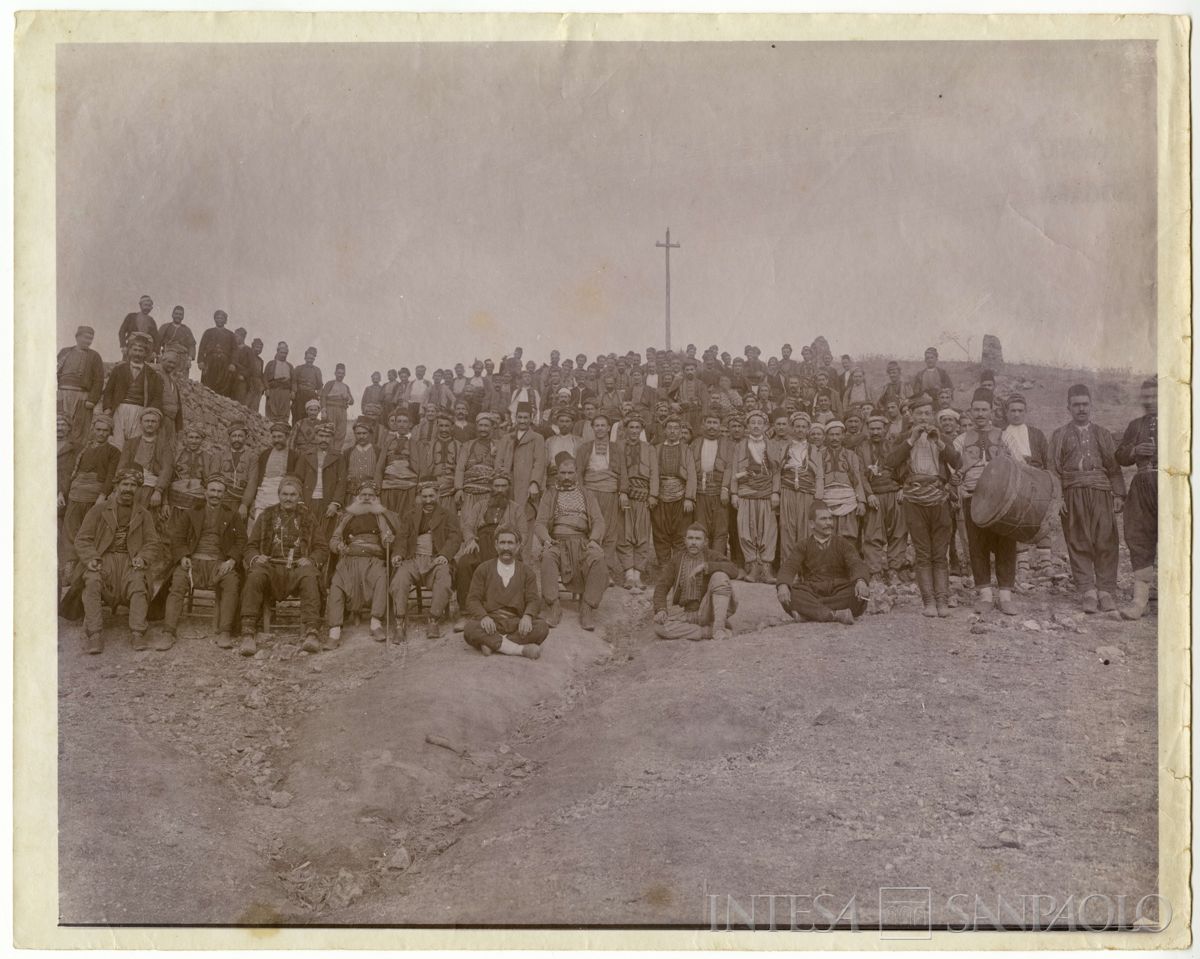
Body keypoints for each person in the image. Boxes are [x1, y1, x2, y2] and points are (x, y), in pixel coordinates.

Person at [62, 466, 165, 654]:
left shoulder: (144, 514)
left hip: (130, 560)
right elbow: (83, 539)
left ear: (138, 489)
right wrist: (91, 558)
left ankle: (138, 632)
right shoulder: (98, 510)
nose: (128, 489)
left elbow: (152, 542)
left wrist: (143, 558)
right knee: (92, 581)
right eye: (124, 484)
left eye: (133, 485)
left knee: (138, 582)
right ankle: (94, 633)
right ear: (116, 486)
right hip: (103, 559)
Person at [1048, 384, 1126, 614]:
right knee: (1078, 540)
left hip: (1101, 492)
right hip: (1072, 493)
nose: (1081, 409)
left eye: (1085, 404)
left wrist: (1119, 494)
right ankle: (1087, 592)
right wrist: (1057, 497)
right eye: (1076, 405)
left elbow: (1113, 467)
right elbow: (1052, 469)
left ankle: (1105, 591)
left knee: (1106, 540)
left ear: (1091, 406)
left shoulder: (1102, 434)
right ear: (1068, 408)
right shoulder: (1059, 435)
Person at [884, 393, 962, 618]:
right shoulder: (904, 437)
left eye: (928, 414)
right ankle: (928, 601)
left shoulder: (941, 438)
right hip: (914, 501)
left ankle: (942, 601)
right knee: (922, 552)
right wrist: (910, 441)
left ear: (934, 416)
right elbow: (890, 463)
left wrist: (938, 441)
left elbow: (957, 462)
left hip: (939, 499)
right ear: (912, 416)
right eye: (919, 414)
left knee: (940, 552)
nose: (924, 418)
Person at [239, 474, 328, 656]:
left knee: (310, 575)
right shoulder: (266, 515)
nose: (288, 498)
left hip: (297, 567)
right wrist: (257, 557)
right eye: (285, 494)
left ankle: (312, 632)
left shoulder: (308, 517)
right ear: (279, 495)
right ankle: (248, 632)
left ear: (299, 497)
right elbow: (250, 547)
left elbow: (321, 548)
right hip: (271, 566)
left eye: (293, 495)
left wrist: (310, 559)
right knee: (255, 574)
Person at [953, 388, 1020, 615]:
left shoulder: (1006, 436)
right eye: (976, 410)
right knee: (977, 545)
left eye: (984, 409)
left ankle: (1005, 595)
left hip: (1001, 501)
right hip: (972, 497)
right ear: (970, 412)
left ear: (992, 411)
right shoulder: (960, 440)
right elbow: (952, 471)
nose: (980, 414)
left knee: (1006, 544)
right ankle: (984, 594)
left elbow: (1020, 464)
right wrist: (960, 473)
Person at [161, 475, 245, 651]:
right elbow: (178, 538)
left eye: (220, 491)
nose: (216, 494)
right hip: (193, 563)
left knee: (232, 583)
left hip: (220, 563)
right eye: (212, 490)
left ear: (225, 494)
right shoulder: (192, 512)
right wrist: (183, 556)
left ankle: (225, 631)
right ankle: (168, 632)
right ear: (205, 492)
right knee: (177, 583)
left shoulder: (233, 515)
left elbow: (241, 541)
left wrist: (232, 560)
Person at [534, 454, 608, 631]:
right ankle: (553, 606)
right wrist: (546, 540)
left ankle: (587, 607)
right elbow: (540, 523)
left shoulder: (587, 494)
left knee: (598, 558)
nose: (566, 477)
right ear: (557, 473)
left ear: (576, 473)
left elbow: (598, 520)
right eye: (562, 473)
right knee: (547, 556)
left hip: (582, 542)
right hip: (557, 542)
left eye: (570, 473)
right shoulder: (550, 494)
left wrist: (594, 540)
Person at [327, 479, 400, 646]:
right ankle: (334, 632)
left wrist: (388, 540)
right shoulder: (346, 517)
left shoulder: (383, 516)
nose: (367, 498)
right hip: (349, 558)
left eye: (371, 495)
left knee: (382, 577)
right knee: (337, 583)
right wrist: (338, 546)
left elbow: (391, 540)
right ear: (357, 497)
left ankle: (376, 623)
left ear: (376, 497)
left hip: (373, 558)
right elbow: (334, 540)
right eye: (363, 495)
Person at [776, 500, 871, 624]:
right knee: (790, 595)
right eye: (823, 519)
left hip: (839, 590)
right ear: (812, 524)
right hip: (813, 590)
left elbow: (855, 563)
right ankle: (833, 615)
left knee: (858, 595)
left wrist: (861, 581)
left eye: (830, 519)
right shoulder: (802, 546)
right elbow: (789, 566)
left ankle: (810, 613)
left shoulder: (842, 543)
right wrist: (783, 585)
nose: (829, 523)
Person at [462, 525, 549, 659]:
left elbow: (533, 600)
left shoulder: (527, 572)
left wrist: (528, 617)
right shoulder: (483, 569)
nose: (506, 548)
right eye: (502, 543)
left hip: (516, 623)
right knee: (470, 628)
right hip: (491, 623)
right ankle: (519, 650)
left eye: (510, 543)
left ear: (518, 546)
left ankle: (491, 643)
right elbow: (473, 599)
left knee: (542, 627)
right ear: (496, 545)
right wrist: (484, 617)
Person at [389, 482, 462, 640]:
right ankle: (400, 621)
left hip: (436, 559)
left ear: (438, 496)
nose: (428, 500)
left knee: (444, 579)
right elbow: (402, 538)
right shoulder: (410, 516)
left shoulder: (448, 515)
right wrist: (398, 555)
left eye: (431, 496)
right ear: (419, 497)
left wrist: (444, 555)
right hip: (413, 559)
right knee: (399, 579)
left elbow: (455, 537)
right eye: (424, 496)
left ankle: (433, 619)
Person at [454, 473, 521, 630]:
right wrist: (470, 540)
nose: (499, 490)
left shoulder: (516, 508)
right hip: (480, 544)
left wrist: (510, 547)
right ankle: (466, 613)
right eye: (496, 486)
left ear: (508, 488)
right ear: (491, 487)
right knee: (464, 563)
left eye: (503, 486)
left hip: (505, 545)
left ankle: (502, 611)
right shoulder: (480, 505)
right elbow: (468, 526)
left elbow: (522, 533)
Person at [1115, 377, 1158, 620]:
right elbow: (1120, 455)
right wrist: (1134, 450)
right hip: (1142, 484)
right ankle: (1139, 601)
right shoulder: (1135, 425)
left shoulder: (1185, 417)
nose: (1150, 401)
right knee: (1139, 536)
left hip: (1174, 484)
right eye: (1146, 397)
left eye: (1155, 396)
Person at [60, 415, 120, 582]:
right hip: (75, 494)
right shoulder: (82, 450)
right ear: (93, 429)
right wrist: (62, 493)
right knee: (70, 531)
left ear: (110, 432)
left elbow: (110, 476)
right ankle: (69, 569)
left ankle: (85, 570)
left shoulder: (114, 452)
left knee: (90, 532)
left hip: (94, 497)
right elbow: (70, 473)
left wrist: (102, 496)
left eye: (105, 430)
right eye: (98, 429)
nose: (101, 433)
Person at [651, 524, 737, 641]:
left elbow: (733, 569)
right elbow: (662, 586)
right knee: (659, 627)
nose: (693, 542)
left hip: (708, 609)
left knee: (720, 576)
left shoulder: (712, 555)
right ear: (685, 540)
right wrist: (661, 609)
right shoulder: (676, 560)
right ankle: (708, 632)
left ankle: (719, 627)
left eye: (698, 539)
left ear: (705, 542)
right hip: (687, 613)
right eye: (690, 538)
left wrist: (706, 566)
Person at [730, 409, 782, 582]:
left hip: (767, 493)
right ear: (748, 426)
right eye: (753, 423)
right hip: (745, 493)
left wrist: (775, 492)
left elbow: (776, 472)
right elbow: (734, 471)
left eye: (760, 423)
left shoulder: (772, 445)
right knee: (745, 530)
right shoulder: (740, 446)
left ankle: (766, 570)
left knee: (768, 531)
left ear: (766, 426)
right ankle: (752, 568)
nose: (756, 426)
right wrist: (734, 493)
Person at [858, 414, 906, 585]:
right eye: (872, 429)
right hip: (875, 495)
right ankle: (875, 571)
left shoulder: (894, 446)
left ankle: (894, 570)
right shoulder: (862, 448)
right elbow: (860, 475)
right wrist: (868, 494)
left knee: (898, 533)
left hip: (894, 493)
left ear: (885, 429)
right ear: (868, 430)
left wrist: (903, 488)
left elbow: (905, 468)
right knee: (872, 534)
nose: (876, 432)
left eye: (879, 429)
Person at [455, 412, 513, 541]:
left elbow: (503, 468)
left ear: (493, 427)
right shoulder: (467, 445)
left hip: (489, 493)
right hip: (469, 493)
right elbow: (460, 468)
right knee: (467, 524)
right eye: (480, 425)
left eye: (486, 426)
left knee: (487, 524)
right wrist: (459, 489)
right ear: (476, 426)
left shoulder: (500, 445)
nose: (483, 429)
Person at [649, 414, 697, 568]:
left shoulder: (686, 450)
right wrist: (653, 495)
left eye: (676, 428)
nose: (673, 431)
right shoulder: (656, 449)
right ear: (664, 430)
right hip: (660, 496)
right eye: (669, 428)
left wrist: (689, 498)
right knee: (660, 533)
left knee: (680, 533)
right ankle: (664, 566)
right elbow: (653, 473)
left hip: (681, 496)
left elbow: (692, 474)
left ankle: (678, 567)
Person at [101, 331, 162, 450]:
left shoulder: (152, 374)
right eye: (135, 350)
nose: (137, 354)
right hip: (119, 408)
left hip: (141, 410)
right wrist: (107, 408)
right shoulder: (118, 370)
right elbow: (108, 391)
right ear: (129, 351)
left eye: (141, 351)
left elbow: (156, 396)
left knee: (135, 444)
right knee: (117, 443)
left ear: (146, 353)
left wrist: (150, 412)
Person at [616, 410, 655, 591]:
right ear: (625, 429)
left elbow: (655, 473)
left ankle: (638, 574)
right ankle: (628, 574)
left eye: (637, 427)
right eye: (631, 427)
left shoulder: (649, 448)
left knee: (642, 536)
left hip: (643, 497)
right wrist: (620, 492)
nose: (634, 430)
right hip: (623, 496)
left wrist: (653, 495)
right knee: (625, 535)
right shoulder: (617, 447)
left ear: (641, 430)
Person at [777, 410, 823, 563]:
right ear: (792, 428)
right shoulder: (785, 448)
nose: (800, 430)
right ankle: (788, 567)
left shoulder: (813, 449)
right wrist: (776, 492)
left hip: (807, 491)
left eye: (803, 427)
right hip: (787, 489)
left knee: (805, 528)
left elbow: (819, 474)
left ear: (808, 429)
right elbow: (777, 471)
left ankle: (804, 566)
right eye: (797, 426)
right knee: (787, 527)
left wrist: (819, 495)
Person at [689, 412, 734, 558]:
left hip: (719, 492)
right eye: (709, 422)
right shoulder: (696, 443)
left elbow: (730, 467)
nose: (712, 426)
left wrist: (725, 489)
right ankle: (701, 562)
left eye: (715, 423)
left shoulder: (728, 444)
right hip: (700, 493)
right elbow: (690, 468)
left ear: (720, 425)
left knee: (720, 530)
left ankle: (717, 563)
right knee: (701, 528)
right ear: (703, 424)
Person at [117, 407, 173, 515]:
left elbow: (167, 470)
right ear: (141, 423)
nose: (150, 424)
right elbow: (122, 465)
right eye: (147, 421)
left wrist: (158, 491)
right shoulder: (131, 443)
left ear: (158, 424)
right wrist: (117, 487)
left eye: (153, 421)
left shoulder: (165, 446)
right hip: (130, 484)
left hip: (151, 488)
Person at [510, 403, 548, 561]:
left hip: (526, 486)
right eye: (520, 417)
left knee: (526, 522)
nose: (523, 420)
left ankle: (524, 561)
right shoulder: (509, 437)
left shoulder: (537, 438)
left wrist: (534, 483)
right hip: (510, 485)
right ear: (515, 418)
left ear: (531, 419)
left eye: (526, 417)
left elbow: (540, 462)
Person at [819, 421, 867, 542]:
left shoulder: (851, 455)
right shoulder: (820, 454)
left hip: (848, 501)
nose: (835, 438)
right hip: (827, 500)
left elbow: (857, 479)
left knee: (848, 536)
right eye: (831, 434)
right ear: (826, 436)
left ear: (843, 435)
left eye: (838, 434)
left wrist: (861, 501)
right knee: (826, 535)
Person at [57, 325, 105, 446]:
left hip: (82, 397)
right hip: (62, 394)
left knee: (79, 428)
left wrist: (92, 400)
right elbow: (55, 371)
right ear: (77, 337)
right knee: (60, 424)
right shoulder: (65, 352)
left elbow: (99, 380)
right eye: (85, 337)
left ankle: (76, 456)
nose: (88, 341)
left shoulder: (94, 356)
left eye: (91, 339)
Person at [242, 422, 298, 524]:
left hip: (282, 494)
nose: (277, 440)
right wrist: (254, 499)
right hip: (263, 494)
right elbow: (258, 478)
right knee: (260, 524)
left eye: (280, 437)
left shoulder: (294, 456)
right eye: (274, 437)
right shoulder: (265, 454)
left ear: (287, 437)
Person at [296, 421, 345, 529]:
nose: (324, 439)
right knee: (306, 533)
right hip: (308, 501)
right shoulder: (306, 455)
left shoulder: (338, 457)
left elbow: (341, 483)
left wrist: (335, 503)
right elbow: (297, 480)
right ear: (316, 436)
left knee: (325, 535)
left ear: (332, 438)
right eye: (321, 435)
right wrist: (300, 502)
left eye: (327, 436)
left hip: (328, 502)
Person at [413, 411, 459, 510]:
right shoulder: (428, 446)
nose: (443, 429)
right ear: (436, 427)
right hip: (432, 488)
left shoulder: (459, 446)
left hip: (451, 488)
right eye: (441, 426)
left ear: (452, 427)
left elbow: (461, 469)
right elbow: (423, 470)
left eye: (447, 426)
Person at [167, 425, 217, 516]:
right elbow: (167, 478)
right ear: (185, 438)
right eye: (191, 437)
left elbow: (210, 481)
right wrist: (165, 503)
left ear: (202, 440)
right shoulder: (176, 455)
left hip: (197, 500)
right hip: (175, 498)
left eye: (197, 438)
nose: (194, 441)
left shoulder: (209, 458)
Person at [376, 411, 419, 517]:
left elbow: (422, 468)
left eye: (405, 421)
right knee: (388, 519)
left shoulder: (417, 444)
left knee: (407, 518)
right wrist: (377, 488)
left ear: (410, 424)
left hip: (409, 488)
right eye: (398, 421)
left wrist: (420, 490)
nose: (401, 424)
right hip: (388, 488)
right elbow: (380, 467)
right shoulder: (388, 442)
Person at [216, 421, 256, 514]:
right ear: (229, 438)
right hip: (221, 499)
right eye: (234, 436)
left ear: (246, 437)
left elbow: (252, 482)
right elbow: (214, 477)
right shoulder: (220, 455)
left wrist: (245, 504)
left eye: (240, 436)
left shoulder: (252, 457)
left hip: (240, 501)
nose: (236, 439)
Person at [197, 310, 238, 397]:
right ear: (214, 319)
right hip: (210, 361)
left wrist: (233, 364)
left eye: (222, 318)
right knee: (207, 385)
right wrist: (200, 361)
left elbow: (235, 350)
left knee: (223, 386)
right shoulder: (208, 332)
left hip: (224, 363)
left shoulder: (230, 334)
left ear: (225, 320)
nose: (219, 320)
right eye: (217, 318)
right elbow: (202, 347)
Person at [321, 363, 355, 450]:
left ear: (344, 374)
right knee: (330, 429)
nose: (340, 375)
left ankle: (336, 451)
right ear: (335, 373)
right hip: (331, 408)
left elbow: (352, 401)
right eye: (339, 373)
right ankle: (329, 451)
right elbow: (323, 396)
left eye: (342, 373)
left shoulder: (346, 386)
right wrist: (323, 410)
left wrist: (347, 397)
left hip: (342, 410)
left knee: (341, 432)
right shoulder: (330, 383)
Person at [156, 305, 196, 379]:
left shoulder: (186, 330)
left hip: (182, 359)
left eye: (180, 314)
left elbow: (192, 345)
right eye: (176, 314)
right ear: (172, 314)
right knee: (165, 377)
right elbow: (157, 341)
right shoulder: (165, 327)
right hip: (168, 356)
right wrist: (158, 355)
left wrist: (189, 359)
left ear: (183, 316)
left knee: (181, 380)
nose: (178, 316)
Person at [263, 343, 295, 423]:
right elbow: (265, 377)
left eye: (285, 353)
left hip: (285, 390)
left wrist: (293, 391)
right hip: (273, 389)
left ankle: (282, 429)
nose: (283, 355)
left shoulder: (290, 366)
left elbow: (294, 380)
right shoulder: (271, 364)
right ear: (277, 352)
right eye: (281, 352)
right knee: (272, 410)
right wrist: (266, 388)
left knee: (284, 412)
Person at [118, 295, 158, 359]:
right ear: (140, 305)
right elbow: (122, 331)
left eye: (149, 306)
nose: (147, 308)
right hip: (131, 347)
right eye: (145, 305)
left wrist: (155, 351)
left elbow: (156, 338)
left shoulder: (152, 321)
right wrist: (123, 346)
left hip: (146, 349)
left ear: (151, 308)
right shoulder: (131, 316)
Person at [293, 347, 324, 426]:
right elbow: (294, 381)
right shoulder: (299, 368)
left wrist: (319, 397)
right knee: (298, 416)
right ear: (305, 357)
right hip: (300, 395)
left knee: (311, 416)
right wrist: (294, 392)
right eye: (309, 358)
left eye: (312, 358)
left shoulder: (317, 370)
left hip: (311, 395)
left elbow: (320, 385)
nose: (310, 360)